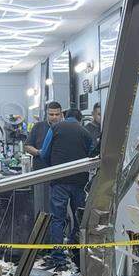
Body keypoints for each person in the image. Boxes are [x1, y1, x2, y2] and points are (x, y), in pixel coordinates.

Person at [39, 107, 93, 267]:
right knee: (80, 218)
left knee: (58, 219)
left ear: (64, 116)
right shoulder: (86, 133)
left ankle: (58, 258)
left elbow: (44, 154)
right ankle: (77, 254)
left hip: (59, 180)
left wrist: (54, 167)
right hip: (80, 182)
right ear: (80, 119)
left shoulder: (55, 128)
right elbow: (92, 157)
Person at [24, 101, 63, 169]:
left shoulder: (65, 128)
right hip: (41, 170)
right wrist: (39, 152)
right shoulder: (38, 126)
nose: (54, 117)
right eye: (51, 114)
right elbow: (27, 146)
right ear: (47, 114)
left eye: (57, 114)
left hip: (60, 169)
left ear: (61, 115)